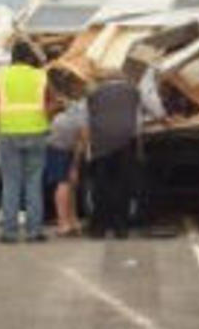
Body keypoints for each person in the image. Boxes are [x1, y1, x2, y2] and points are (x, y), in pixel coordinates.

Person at [0, 41, 55, 243]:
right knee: (34, 183)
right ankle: (34, 231)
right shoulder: (41, 76)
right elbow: (50, 104)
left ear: (12, 57)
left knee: (11, 183)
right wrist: (46, 120)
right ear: (29, 58)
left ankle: (9, 232)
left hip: (8, 133)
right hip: (36, 133)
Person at [86, 73, 141, 239]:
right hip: (124, 141)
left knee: (101, 186)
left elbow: (88, 116)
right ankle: (121, 227)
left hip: (101, 142)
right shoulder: (133, 91)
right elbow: (139, 115)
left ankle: (98, 228)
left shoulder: (94, 93)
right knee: (123, 185)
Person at [45, 99, 86, 236]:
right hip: (59, 145)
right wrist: (75, 165)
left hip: (60, 140)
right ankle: (64, 224)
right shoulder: (86, 114)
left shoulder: (80, 108)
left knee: (70, 183)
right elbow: (81, 141)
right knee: (64, 183)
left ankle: (72, 221)